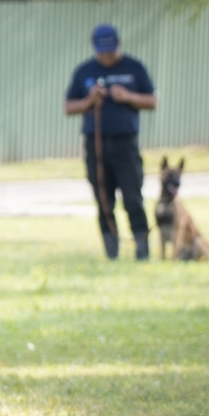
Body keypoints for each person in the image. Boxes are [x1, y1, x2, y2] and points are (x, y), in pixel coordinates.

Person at [64, 24, 157, 260]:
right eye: (102, 50)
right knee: (103, 199)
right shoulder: (84, 71)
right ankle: (111, 253)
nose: (107, 55)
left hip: (125, 144)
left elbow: (152, 100)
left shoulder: (134, 68)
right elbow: (69, 107)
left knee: (133, 197)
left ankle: (142, 250)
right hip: (96, 145)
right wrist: (88, 101)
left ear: (119, 44)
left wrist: (128, 96)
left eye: (111, 49)